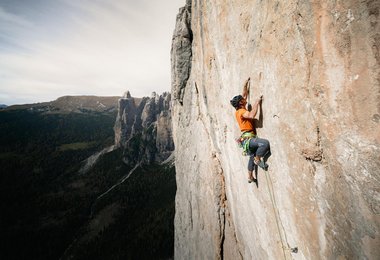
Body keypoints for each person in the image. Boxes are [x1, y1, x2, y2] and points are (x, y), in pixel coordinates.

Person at [230, 78, 271, 183]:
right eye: (242, 99)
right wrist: (257, 103)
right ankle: (258, 159)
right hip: (249, 139)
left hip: (246, 140)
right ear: (240, 103)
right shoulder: (241, 111)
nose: (245, 99)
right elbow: (252, 115)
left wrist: (245, 84)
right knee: (264, 143)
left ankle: (250, 176)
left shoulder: (239, 109)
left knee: (251, 156)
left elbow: (244, 95)